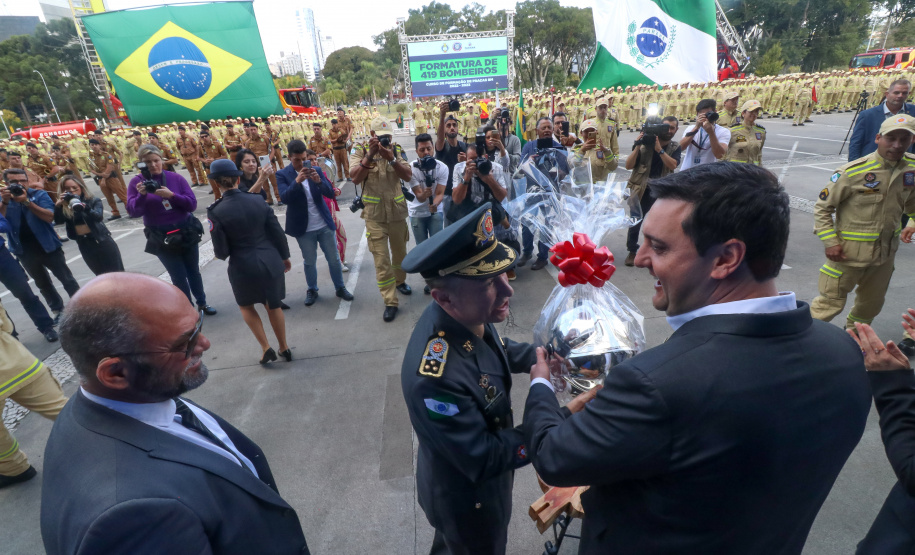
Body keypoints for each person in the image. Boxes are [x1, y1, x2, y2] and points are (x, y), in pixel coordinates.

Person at [523, 162, 872, 555]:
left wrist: (540, 383)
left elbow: (554, 457)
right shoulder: (843, 353)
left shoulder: (657, 384)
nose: (639, 259)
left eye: (659, 246)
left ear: (726, 258)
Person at [41, 273, 311, 555]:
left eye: (198, 326)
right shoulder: (134, 518)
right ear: (116, 372)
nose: (205, 344)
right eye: (186, 342)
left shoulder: (129, 399)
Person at [400, 203, 537, 555]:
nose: (508, 291)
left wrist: (545, 355)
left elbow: (495, 349)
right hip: (469, 501)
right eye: (490, 282)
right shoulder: (435, 377)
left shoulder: (465, 313)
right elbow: (484, 457)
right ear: (443, 297)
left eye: (505, 274)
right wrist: (553, 421)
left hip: (474, 482)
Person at [811, 115, 915, 350]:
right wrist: (830, 242)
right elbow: (823, 208)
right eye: (891, 138)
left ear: (912, 140)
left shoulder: (912, 168)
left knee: (870, 304)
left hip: (884, 257)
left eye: (904, 139)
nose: (897, 145)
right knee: (829, 304)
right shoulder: (852, 172)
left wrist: (912, 221)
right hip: (846, 255)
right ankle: (801, 344)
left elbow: (912, 201)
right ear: (878, 138)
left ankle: (855, 340)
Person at [207, 159, 293, 364]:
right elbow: (277, 232)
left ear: (217, 183)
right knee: (273, 305)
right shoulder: (257, 200)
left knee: (246, 305)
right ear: (238, 179)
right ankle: (284, 347)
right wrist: (285, 256)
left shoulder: (215, 210)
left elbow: (221, 250)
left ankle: (266, 347)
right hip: (269, 257)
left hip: (242, 263)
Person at [127, 144, 217, 316]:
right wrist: (141, 196)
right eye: (148, 162)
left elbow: (191, 205)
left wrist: (172, 196)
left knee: (193, 271)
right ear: (141, 164)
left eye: (156, 160)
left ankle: (202, 303)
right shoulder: (136, 183)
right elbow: (133, 212)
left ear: (162, 160)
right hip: (160, 236)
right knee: (178, 276)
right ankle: (187, 309)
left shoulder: (175, 178)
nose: (153, 165)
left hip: (185, 231)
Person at [349, 118, 413, 322]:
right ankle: (390, 301)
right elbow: (355, 178)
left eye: (387, 137)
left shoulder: (397, 150)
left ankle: (400, 281)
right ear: (371, 134)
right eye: (379, 136)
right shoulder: (360, 150)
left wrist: (392, 158)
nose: (384, 140)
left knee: (401, 255)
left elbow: (409, 176)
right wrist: (369, 156)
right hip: (374, 216)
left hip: (397, 213)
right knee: (382, 261)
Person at [0, 298, 68, 489]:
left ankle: (15, 469)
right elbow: (5, 325)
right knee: (63, 409)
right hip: (16, 362)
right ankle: (125, 436)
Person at [278, 140, 354, 307]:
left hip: (324, 224)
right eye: (297, 160)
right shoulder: (283, 174)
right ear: (289, 157)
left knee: (334, 259)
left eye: (304, 159)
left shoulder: (317, 170)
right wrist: (297, 181)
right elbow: (284, 198)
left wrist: (319, 181)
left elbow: (329, 193)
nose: (301, 163)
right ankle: (312, 289)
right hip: (304, 229)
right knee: (309, 261)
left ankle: (340, 287)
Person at [0, 168, 80, 323]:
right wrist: (4, 202)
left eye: (23, 181)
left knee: (67, 279)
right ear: (6, 183)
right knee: (43, 284)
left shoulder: (38, 194)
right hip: (24, 250)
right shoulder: (4, 199)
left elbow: (51, 217)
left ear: (27, 181)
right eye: (14, 182)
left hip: (48, 245)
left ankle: (82, 306)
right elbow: (1, 223)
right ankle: (58, 310)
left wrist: (27, 202)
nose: (19, 185)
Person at [622, 115, 682, 267]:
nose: (668, 130)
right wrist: (637, 145)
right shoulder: (644, 144)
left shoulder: (675, 147)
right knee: (635, 220)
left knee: (662, 223)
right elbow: (629, 165)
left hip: (661, 190)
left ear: (676, 130)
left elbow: (673, 165)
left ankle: (659, 251)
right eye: (665, 127)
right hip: (641, 188)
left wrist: (659, 150)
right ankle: (632, 251)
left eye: (672, 128)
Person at [518, 117, 569, 271]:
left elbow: (565, 171)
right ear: (537, 131)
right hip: (532, 191)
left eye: (549, 127)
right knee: (528, 223)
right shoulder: (529, 146)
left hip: (550, 193)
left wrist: (556, 173)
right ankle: (526, 252)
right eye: (544, 128)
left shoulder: (559, 147)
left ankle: (542, 257)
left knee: (546, 226)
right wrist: (530, 163)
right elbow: (521, 168)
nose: (547, 130)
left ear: (553, 130)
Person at [0, 211, 57, 341]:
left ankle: (46, 327)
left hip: (2, 256)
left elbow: (4, 224)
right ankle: (10, 336)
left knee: (25, 293)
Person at [54, 175, 124, 275]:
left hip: (101, 241)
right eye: (67, 189)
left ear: (81, 188)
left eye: (75, 188)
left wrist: (85, 208)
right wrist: (58, 206)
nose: (72, 191)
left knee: (118, 274)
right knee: (101, 277)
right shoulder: (65, 205)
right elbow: (58, 221)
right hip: (84, 244)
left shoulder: (93, 200)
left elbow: (98, 217)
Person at [849, 79, 915, 161]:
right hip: (873, 164)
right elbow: (856, 143)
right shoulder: (868, 115)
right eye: (896, 92)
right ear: (887, 94)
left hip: (904, 165)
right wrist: (853, 166)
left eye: (904, 93)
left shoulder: (913, 112)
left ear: (909, 94)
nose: (900, 96)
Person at [407, 134, 448, 268]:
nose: (426, 152)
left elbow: (440, 193)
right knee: (422, 248)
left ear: (433, 149)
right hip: (417, 212)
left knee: (437, 246)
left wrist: (435, 204)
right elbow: (419, 196)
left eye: (429, 149)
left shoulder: (442, 167)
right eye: (422, 150)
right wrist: (424, 194)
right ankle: (428, 275)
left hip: (436, 212)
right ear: (416, 151)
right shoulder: (410, 169)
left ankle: (437, 274)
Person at [435, 102, 468, 225]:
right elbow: (439, 139)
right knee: (450, 231)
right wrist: (442, 116)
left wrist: (466, 161)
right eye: (448, 125)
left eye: (454, 125)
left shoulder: (465, 146)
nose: (452, 127)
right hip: (448, 196)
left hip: (464, 194)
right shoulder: (442, 147)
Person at [678, 98, 731, 171]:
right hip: (687, 172)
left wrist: (711, 133)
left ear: (715, 112)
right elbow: (679, 148)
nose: (706, 117)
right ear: (697, 114)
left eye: (708, 114)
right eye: (703, 115)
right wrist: (696, 127)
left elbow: (719, 155)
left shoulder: (723, 131)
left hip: (707, 174)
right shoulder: (690, 129)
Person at [88, 139, 127, 221]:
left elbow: (109, 169)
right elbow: (91, 170)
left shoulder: (107, 155)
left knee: (121, 195)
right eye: (92, 145)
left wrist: (102, 176)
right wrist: (101, 176)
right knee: (109, 197)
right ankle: (115, 213)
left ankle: (130, 210)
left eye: (95, 144)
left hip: (111, 178)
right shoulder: (91, 157)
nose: (94, 146)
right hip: (101, 179)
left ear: (99, 145)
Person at [723, 100, 767, 166]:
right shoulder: (732, 130)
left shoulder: (761, 131)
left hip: (753, 171)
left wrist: (760, 169)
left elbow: (759, 154)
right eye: (751, 111)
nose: (754, 114)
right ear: (743, 113)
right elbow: (723, 153)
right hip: (736, 170)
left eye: (756, 111)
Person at [198, 130, 228, 200]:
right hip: (209, 169)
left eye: (206, 136)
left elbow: (225, 156)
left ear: (209, 136)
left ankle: (228, 200)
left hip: (219, 168)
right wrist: (204, 160)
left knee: (225, 187)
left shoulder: (217, 144)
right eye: (202, 137)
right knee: (215, 189)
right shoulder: (200, 147)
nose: (204, 138)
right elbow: (199, 157)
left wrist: (214, 159)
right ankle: (218, 201)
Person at [328, 119, 350, 183]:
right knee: (338, 164)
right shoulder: (330, 132)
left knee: (345, 163)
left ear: (337, 124)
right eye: (332, 124)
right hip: (335, 149)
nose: (334, 125)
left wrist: (343, 140)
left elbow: (345, 139)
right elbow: (329, 140)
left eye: (335, 124)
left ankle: (348, 176)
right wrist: (336, 140)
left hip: (342, 148)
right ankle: (340, 177)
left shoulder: (341, 130)